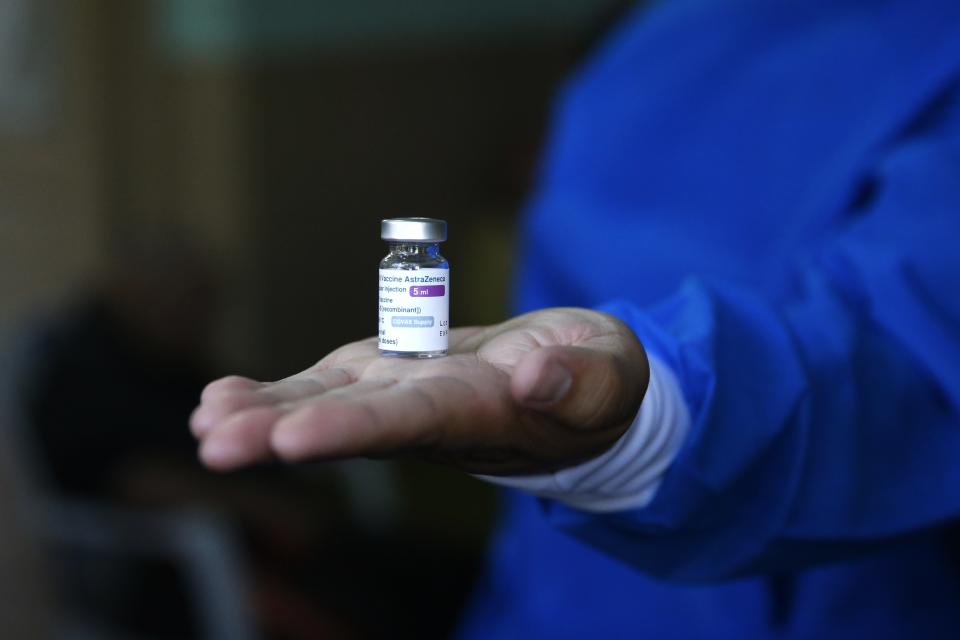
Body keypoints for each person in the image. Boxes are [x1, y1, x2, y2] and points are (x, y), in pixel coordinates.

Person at [190, 0, 960, 637]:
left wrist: (651, 414)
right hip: (556, 595)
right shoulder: (648, 48)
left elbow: (907, 363)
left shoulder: (929, 58)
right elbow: (557, 314)